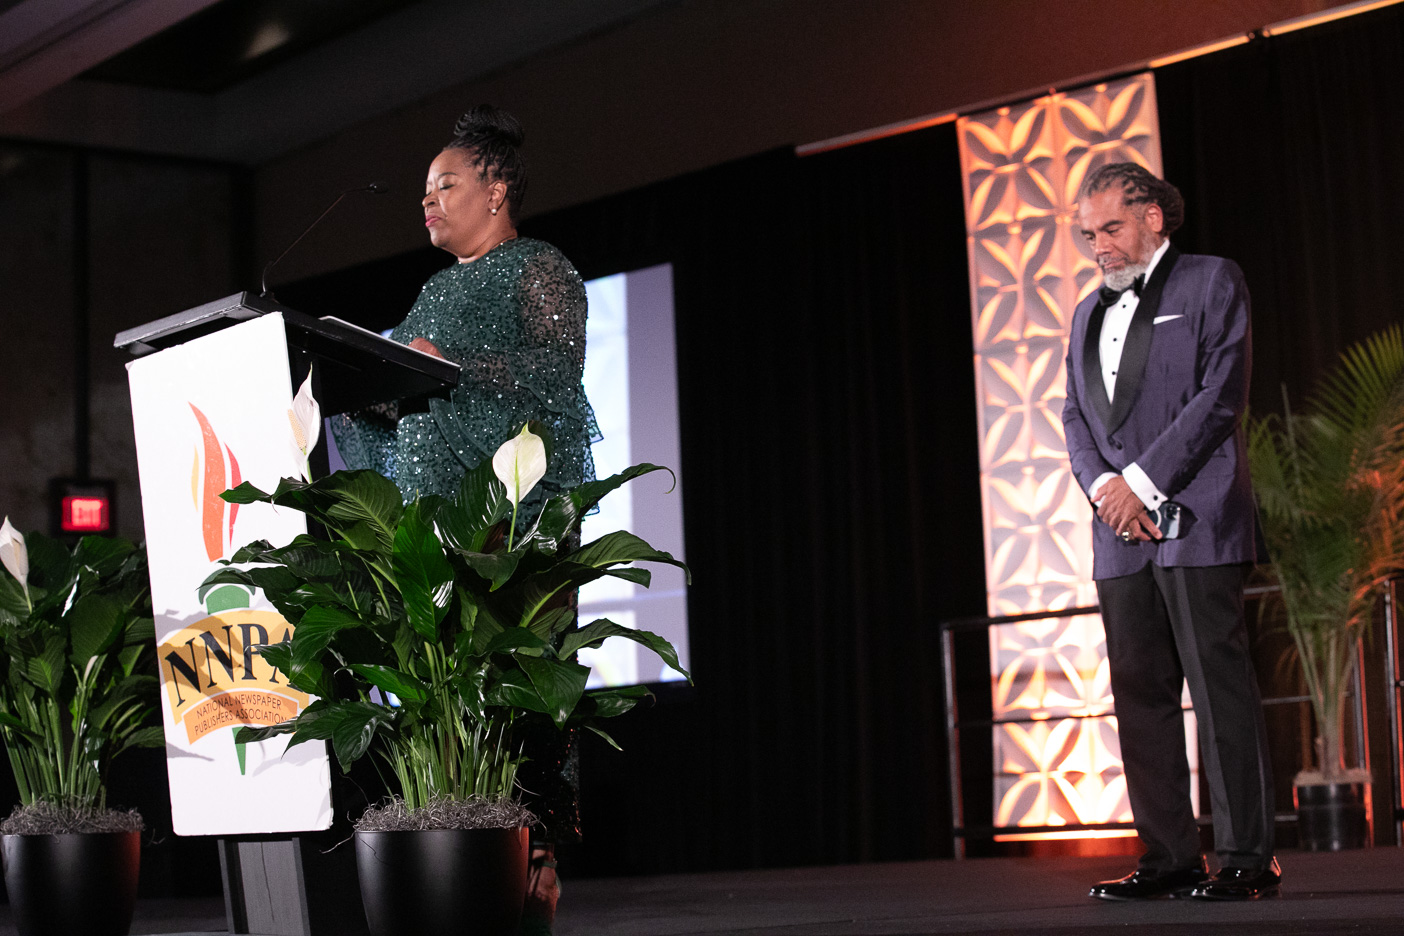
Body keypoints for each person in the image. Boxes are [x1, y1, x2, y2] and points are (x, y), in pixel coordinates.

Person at [332, 104, 597, 932]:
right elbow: (406, 387)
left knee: (526, 680)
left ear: (497, 189)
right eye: (425, 189)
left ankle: (535, 860)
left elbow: (555, 373)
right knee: (445, 688)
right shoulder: (434, 290)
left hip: (516, 518)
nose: (428, 200)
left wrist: (455, 364)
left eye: (445, 184)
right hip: (435, 524)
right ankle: (460, 861)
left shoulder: (539, 267)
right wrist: (356, 387)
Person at [1062, 162, 1280, 902]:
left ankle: (1248, 857)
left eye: (1111, 229)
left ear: (1153, 216)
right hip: (1117, 532)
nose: (1099, 246)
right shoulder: (1085, 313)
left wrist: (1142, 485)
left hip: (1197, 519)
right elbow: (1074, 414)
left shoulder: (1212, 281)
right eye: (1088, 235)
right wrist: (1105, 492)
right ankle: (1168, 858)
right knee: (1140, 696)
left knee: (1219, 690)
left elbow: (1220, 397)